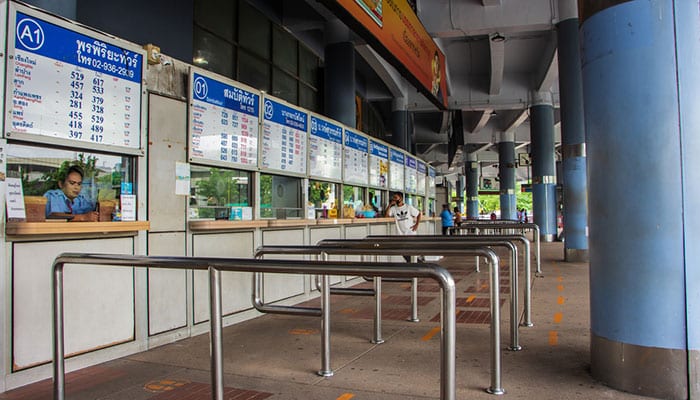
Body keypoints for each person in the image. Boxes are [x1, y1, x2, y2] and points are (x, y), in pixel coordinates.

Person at [385, 192, 421, 261]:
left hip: (410, 232)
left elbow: (419, 214)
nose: (394, 199)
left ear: (401, 198)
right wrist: (389, 205)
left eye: (396, 197)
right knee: (402, 251)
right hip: (401, 233)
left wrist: (416, 225)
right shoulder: (393, 208)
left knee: (411, 251)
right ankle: (415, 264)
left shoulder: (408, 207)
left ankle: (417, 264)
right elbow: (386, 216)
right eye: (393, 198)